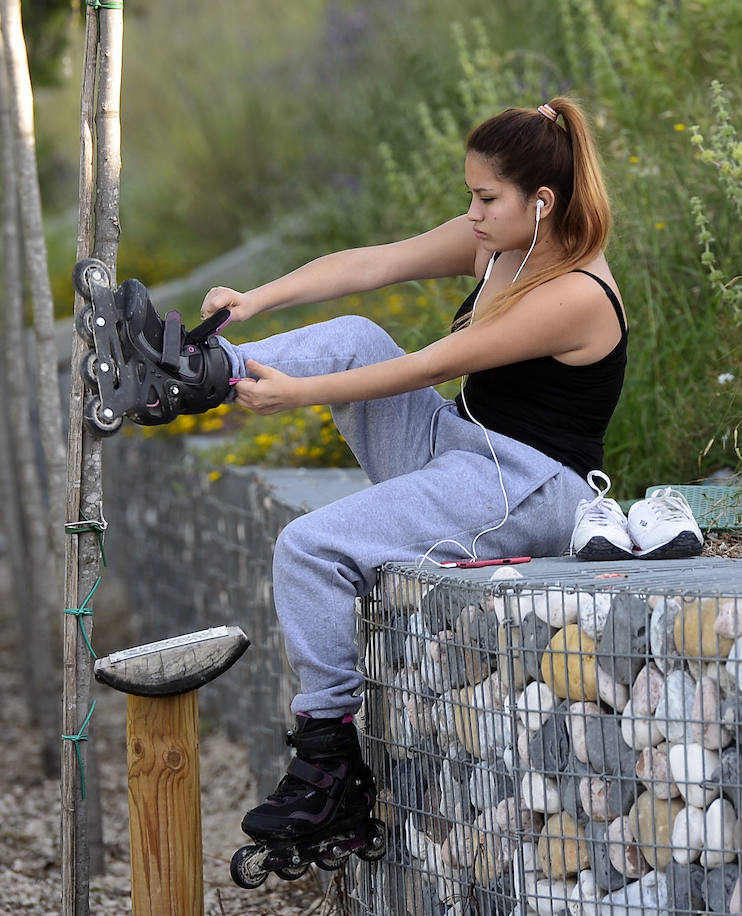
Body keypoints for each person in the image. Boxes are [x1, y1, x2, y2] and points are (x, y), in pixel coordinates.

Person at [82, 98, 700, 867]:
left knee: (310, 546)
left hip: (525, 487)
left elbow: (435, 364)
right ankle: (185, 374)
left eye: (485, 199)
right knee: (353, 337)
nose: (471, 214)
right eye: (470, 197)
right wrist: (254, 301)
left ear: (542, 203)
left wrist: (296, 396)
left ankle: (328, 770)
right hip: (458, 446)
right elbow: (371, 263)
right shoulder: (501, 241)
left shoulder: (574, 291)